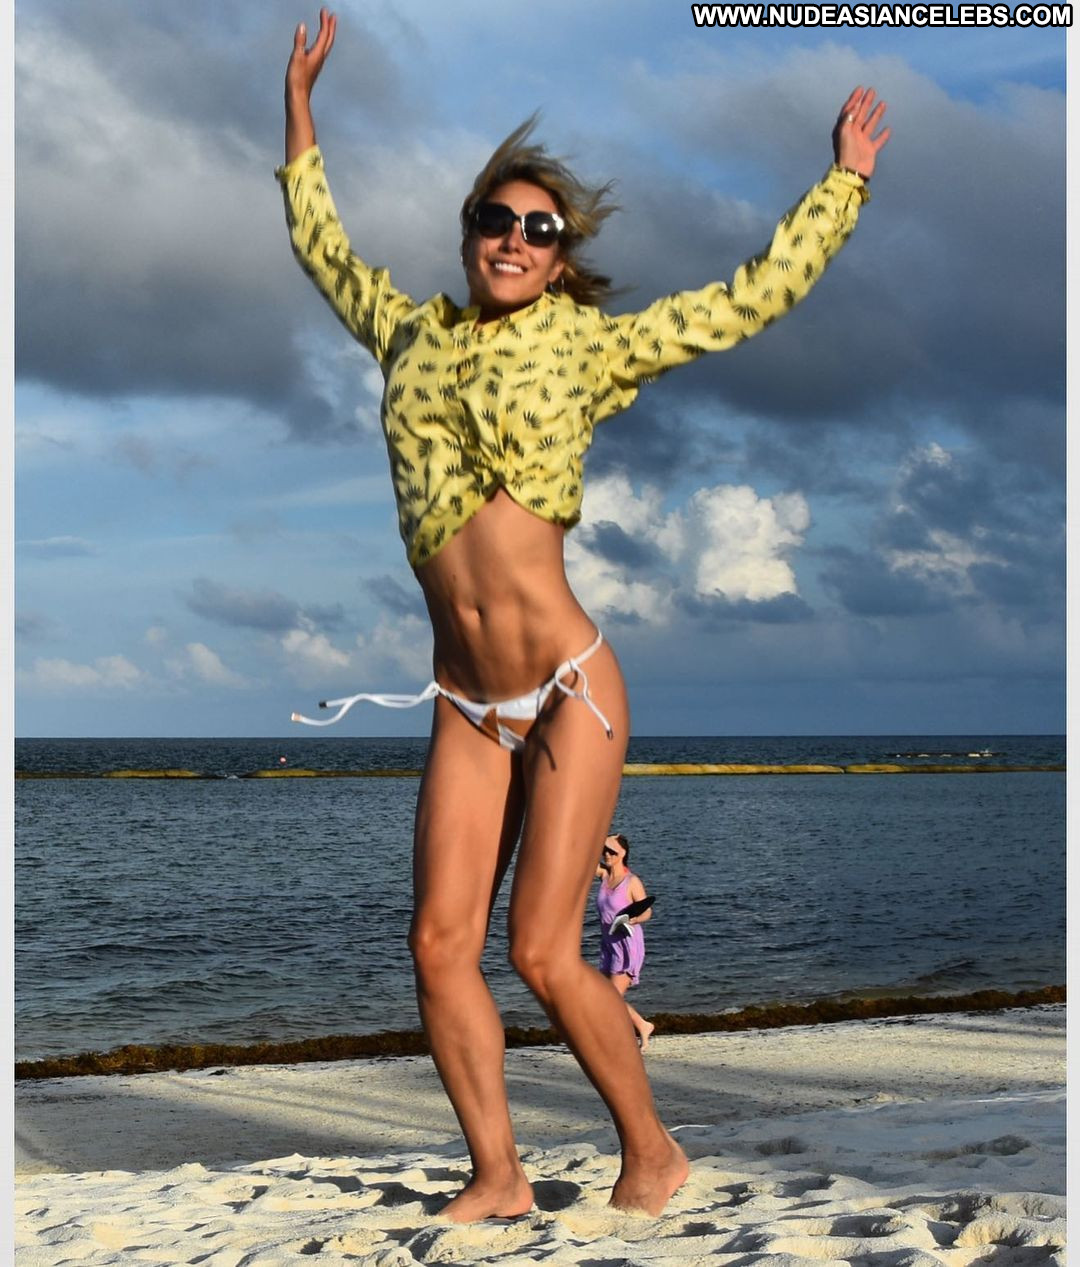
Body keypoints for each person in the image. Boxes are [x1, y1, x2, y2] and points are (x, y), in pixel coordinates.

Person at [277, 7, 890, 1223]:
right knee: (438, 944)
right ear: (469, 234)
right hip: (466, 699)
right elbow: (319, 241)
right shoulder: (406, 334)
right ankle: (498, 1175)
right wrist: (299, 106)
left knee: (544, 950)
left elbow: (745, 300)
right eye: (494, 220)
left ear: (560, 258)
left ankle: (652, 1152)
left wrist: (844, 186)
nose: (513, 238)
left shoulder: (589, 347)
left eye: (538, 229)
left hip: (567, 685)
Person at [596, 833, 655, 1051]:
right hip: (608, 943)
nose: (607, 854)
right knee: (606, 995)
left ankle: (615, 1038)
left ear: (623, 853)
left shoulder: (631, 881)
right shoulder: (604, 875)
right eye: (605, 850)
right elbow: (583, 857)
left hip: (627, 944)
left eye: (612, 851)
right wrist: (601, 837)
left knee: (612, 997)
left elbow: (647, 911)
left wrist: (633, 919)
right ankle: (642, 1025)